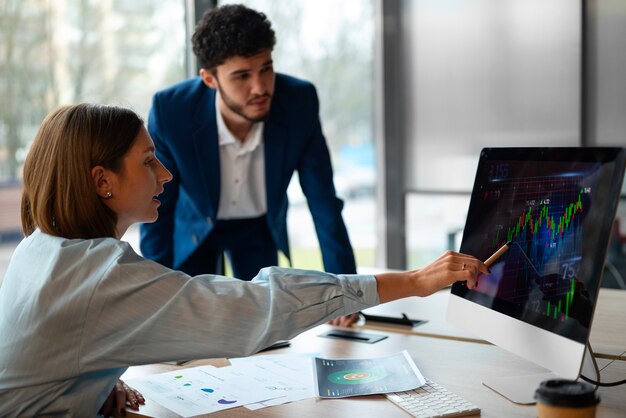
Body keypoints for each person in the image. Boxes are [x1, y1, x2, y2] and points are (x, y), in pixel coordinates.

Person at [0, 103, 487, 416]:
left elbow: (58, 350)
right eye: (148, 160)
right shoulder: (98, 275)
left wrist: (92, 385)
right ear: (103, 181)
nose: (166, 174)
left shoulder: (42, 250)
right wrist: (412, 280)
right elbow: (255, 307)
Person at [139, 5, 356, 289]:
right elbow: (158, 207)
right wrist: (157, 290)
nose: (260, 87)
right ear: (209, 79)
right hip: (194, 229)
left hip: (259, 227)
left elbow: (323, 201)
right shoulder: (172, 111)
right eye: (242, 76)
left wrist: (347, 289)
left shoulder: (298, 102)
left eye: (266, 69)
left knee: (266, 323)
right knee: (188, 319)